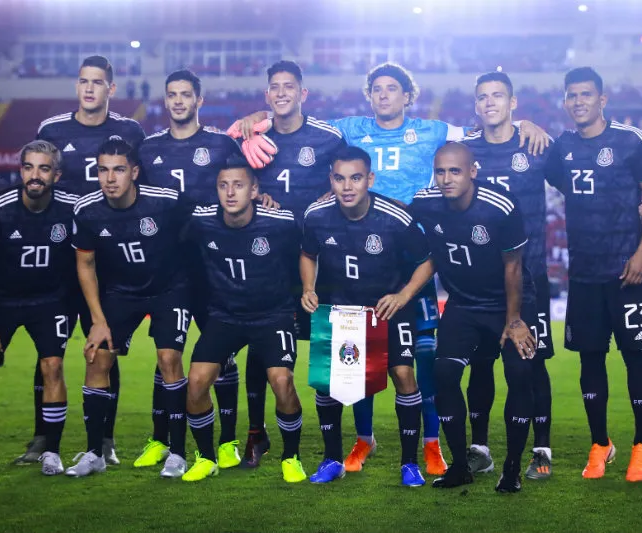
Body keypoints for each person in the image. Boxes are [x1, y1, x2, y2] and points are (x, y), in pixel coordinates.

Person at [231, 61, 549, 476]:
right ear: (369, 96)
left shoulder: (433, 130)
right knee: (357, 355)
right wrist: (257, 118)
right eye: (376, 89)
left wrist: (523, 121)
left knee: (421, 356)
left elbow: (482, 128)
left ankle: (432, 444)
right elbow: (295, 117)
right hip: (361, 256)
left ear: (407, 95)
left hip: (416, 254)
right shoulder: (349, 128)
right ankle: (364, 439)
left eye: (392, 89)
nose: (383, 95)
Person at [19, 55, 145, 466]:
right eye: (83, 82)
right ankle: (42, 438)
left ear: (111, 88)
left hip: (105, 259)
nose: (89, 89)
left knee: (104, 348)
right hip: (58, 257)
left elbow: (140, 186)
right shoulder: (51, 129)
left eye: (97, 82)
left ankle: (104, 439)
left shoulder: (129, 130)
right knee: (49, 352)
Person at [546, 67, 642, 482]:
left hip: (626, 270)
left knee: (635, 354)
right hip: (583, 273)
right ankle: (600, 443)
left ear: (602, 99)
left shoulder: (630, 141)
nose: (578, 101)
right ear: (565, 101)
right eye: (571, 95)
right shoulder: (560, 147)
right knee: (590, 359)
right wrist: (524, 123)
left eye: (586, 94)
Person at [135, 69, 249, 470]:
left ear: (199, 100)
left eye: (186, 94)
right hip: (168, 268)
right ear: (165, 100)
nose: (179, 101)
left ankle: (228, 442)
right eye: (172, 94)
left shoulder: (221, 144)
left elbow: (244, 185)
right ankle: (160, 438)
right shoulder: (147, 149)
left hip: (215, 265)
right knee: (168, 353)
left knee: (225, 354)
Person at [301, 146, 435, 486]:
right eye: (340, 178)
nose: (347, 186)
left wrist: (403, 295)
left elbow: (429, 259)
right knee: (328, 384)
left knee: (404, 375)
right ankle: (332, 460)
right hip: (341, 311)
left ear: (369, 179)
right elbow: (307, 254)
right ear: (331, 179)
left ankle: (409, 464)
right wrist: (308, 287)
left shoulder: (395, 217)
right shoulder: (316, 215)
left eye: (356, 178)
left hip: (387, 310)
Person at [237, 60, 348, 468]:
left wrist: (331, 196)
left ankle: (332, 447)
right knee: (260, 349)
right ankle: (255, 433)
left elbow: (349, 177)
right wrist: (256, 197)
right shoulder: (252, 136)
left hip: (323, 262)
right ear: (267, 96)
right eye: (274, 87)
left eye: (290, 87)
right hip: (270, 263)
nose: (282, 93)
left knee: (326, 354)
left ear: (303, 94)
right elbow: (235, 184)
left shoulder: (327, 138)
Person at [411, 142, 538, 493]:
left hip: (509, 303)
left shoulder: (500, 206)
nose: (446, 179)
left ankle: (511, 467)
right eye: (440, 171)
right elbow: (398, 222)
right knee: (444, 373)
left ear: (473, 171)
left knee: (519, 371)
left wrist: (513, 320)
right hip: (464, 304)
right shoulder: (425, 202)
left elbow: (513, 267)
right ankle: (459, 466)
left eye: (455, 171)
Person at [66, 138, 194, 478]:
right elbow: (85, 264)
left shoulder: (166, 201)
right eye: (103, 170)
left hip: (169, 288)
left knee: (169, 359)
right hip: (122, 291)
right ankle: (95, 453)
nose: (110, 178)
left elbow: (201, 225)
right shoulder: (87, 209)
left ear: (134, 172)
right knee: (97, 356)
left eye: (118, 170)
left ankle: (177, 453)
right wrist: (97, 320)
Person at [181, 158, 306, 483]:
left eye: (238, 185)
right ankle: (206, 457)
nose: (230, 192)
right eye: (223, 186)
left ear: (254, 190)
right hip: (226, 316)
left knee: (282, 382)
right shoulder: (202, 221)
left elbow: (309, 249)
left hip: (273, 314)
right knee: (195, 383)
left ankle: (291, 457)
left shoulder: (280, 222)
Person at [0, 140, 78, 477]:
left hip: (51, 300)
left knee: (53, 367)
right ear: (20, 170)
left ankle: (52, 452)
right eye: (29, 167)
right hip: (3, 302)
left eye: (43, 168)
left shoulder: (72, 208)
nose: (35, 175)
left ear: (56, 174)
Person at [460, 71, 556, 479]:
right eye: (482, 97)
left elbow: (586, 184)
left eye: (498, 96)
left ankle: (542, 450)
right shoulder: (464, 151)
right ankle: (480, 448)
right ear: (476, 105)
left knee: (531, 364)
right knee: (481, 364)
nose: (489, 103)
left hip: (530, 277)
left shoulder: (535, 145)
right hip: (481, 284)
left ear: (513, 103)